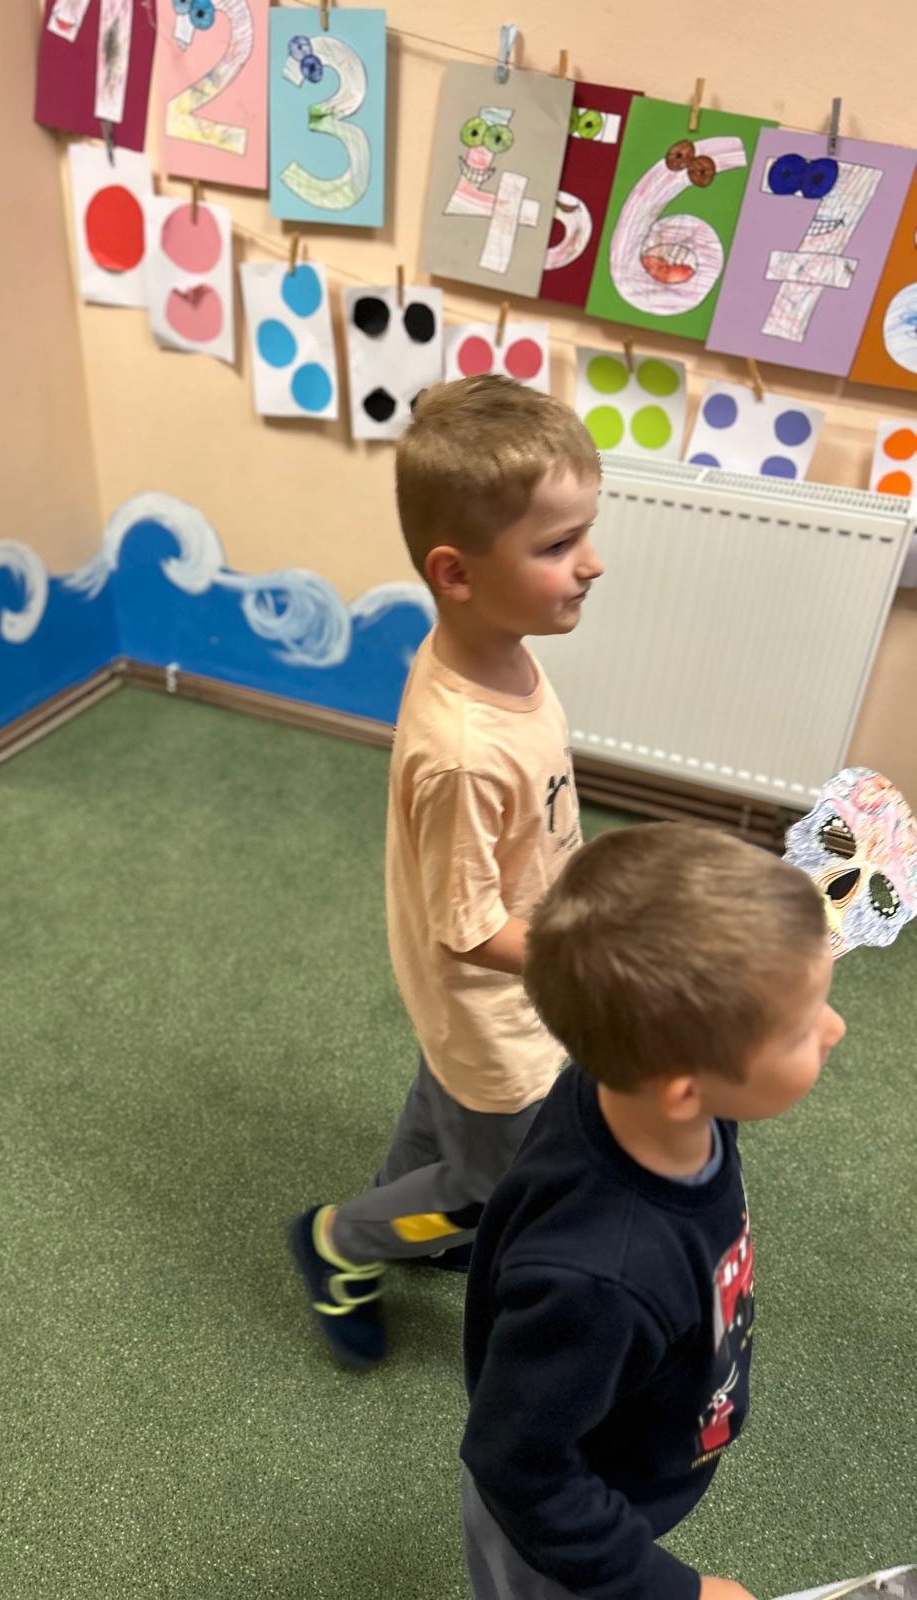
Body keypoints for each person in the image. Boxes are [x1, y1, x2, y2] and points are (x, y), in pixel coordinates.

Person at [288, 375, 604, 1368]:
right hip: (494, 997)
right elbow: (466, 929)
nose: (592, 563)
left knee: (448, 1104)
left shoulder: (502, 653)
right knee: (483, 1184)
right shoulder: (464, 751)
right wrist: (585, 949)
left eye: (587, 534)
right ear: (456, 573)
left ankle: (410, 1206)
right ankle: (344, 1240)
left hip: (485, 998)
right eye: (558, 545)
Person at [460, 822, 845, 1600]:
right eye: (804, 1028)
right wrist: (675, 1591)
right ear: (684, 1089)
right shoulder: (602, 1278)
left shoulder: (629, 1080)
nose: (835, 1029)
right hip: (561, 1532)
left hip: (634, 1427)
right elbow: (519, 1466)